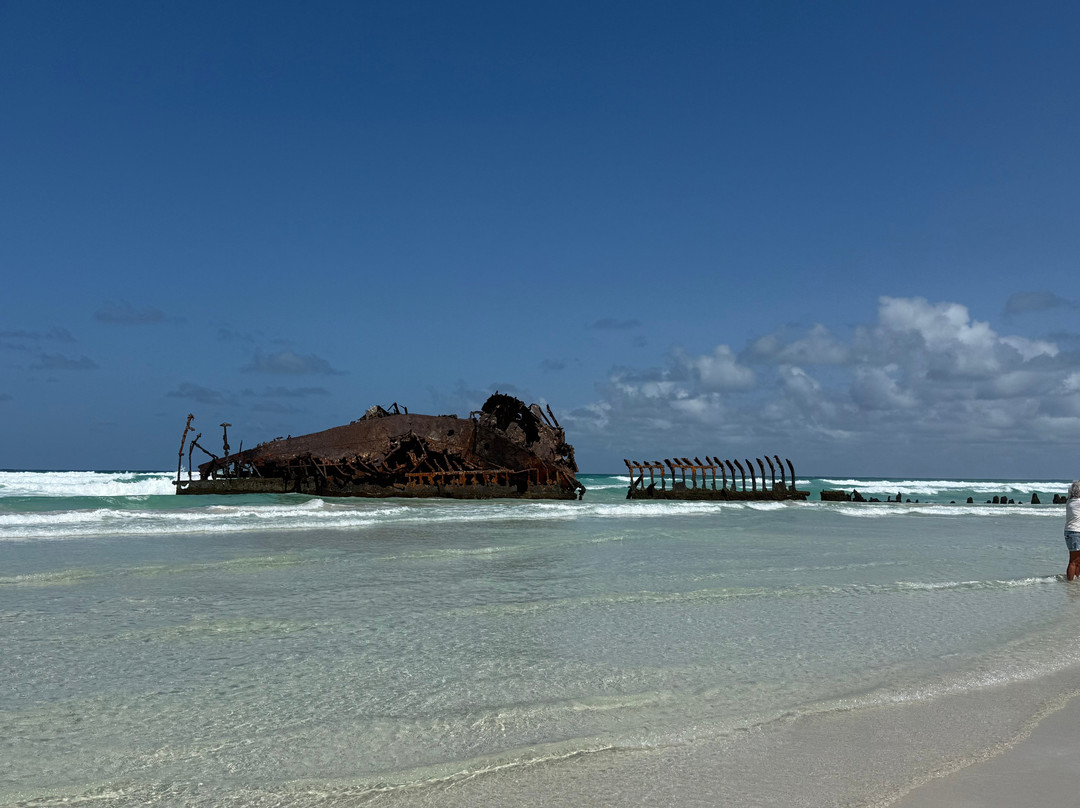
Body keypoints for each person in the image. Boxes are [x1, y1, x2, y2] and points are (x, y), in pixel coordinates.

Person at [1066, 481, 1080, 580]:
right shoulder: (1078, 502)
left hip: (1071, 531)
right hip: (1075, 532)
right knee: (1074, 561)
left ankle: (1074, 582)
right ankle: (1070, 583)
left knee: (1076, 560)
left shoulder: (1070, 501)